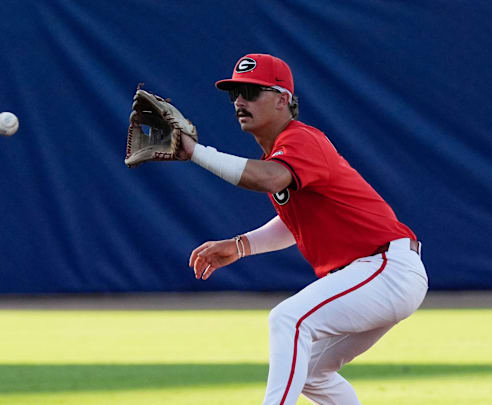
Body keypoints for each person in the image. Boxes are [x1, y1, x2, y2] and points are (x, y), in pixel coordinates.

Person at [175, 53, 428, 405]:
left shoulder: (301, 140)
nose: (239, 101)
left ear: (282, 99)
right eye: (235, 93)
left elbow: (268, 180)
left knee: (289, 319)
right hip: (379, 273)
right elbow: (294, 223)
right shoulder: (282, 154)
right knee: (311, 372)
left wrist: (195, 152)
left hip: (385, 268)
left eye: (251, 91)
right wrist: (240, 245)